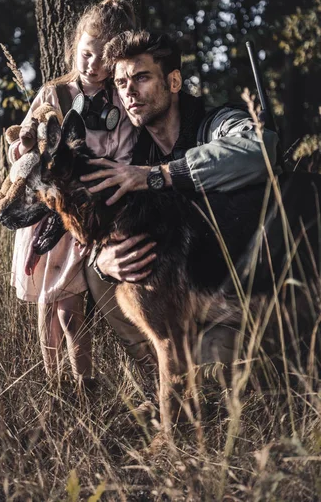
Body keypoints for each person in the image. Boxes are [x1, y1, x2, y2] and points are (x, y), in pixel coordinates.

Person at [81, 30, 280, 364]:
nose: (129, 91)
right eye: (121, 82)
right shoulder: (134, 153)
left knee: (214, 371)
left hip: (237, 296)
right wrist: (105, 264)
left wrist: (161, 175)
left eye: (141, 77)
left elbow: (261, 148)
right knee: (93, 271)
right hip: (176, 299)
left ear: (173, 82)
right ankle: (157, 376)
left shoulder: (214, 124)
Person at [9, 0, 154, 386]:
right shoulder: (52, 94)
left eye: (101, 58)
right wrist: (23, 144)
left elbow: (122, 156)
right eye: (85, 54)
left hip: (90, 220)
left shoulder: (119, 104)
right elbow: (20, 153)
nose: (91, 65)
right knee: (56, 306)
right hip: (51, 220)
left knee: (80, 309)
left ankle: (86, 382)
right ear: (76, 47)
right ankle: (58, 385)